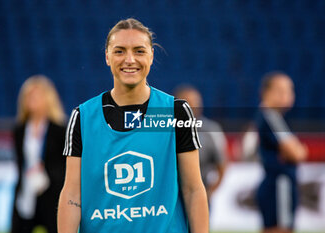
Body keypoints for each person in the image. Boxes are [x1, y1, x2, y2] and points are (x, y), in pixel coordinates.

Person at [57, 18, 208, 233]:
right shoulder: (83, 116)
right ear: (107, 57)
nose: (129, 59)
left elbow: (193, 189)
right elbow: (72, 194)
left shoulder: (174, 111)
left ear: (151, 56)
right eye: (119, 51)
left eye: (139, 51)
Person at [11, 75, 66, 233]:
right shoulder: (20, 130)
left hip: (52, 193)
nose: (32, 100)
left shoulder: (59, 130)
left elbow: (64, 164)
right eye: (28, 96)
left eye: (37, 96)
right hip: (26, 192)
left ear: (48, 98)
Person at [255, 71, 308, 233]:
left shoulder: (275, 118)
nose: (288, 95)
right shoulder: (271, 117)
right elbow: (297, 153)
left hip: (276, 184)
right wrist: (298, 149)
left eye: (290, 90)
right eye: (281, 90)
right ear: (266, 93)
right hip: (279, 185)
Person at [174, 85, 227, 203]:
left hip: (200, 193)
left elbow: (222, 165)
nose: (193, 106)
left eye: (196, 102)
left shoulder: (211, 129)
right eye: (188, 102)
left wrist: (210, 191)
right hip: (173, 195)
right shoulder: (166, 128)